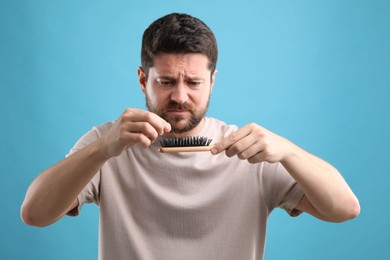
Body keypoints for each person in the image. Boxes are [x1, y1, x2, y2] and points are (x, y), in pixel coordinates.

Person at [21, 12, 360, 260]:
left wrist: (288, 152)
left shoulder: (250, 153)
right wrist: (102, 150)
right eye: (166, 81)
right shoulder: (109, 143)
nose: (180, 96)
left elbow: (345, 208)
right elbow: (33, 214)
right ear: (143, 80)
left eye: (194, 83)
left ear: (213, 81)